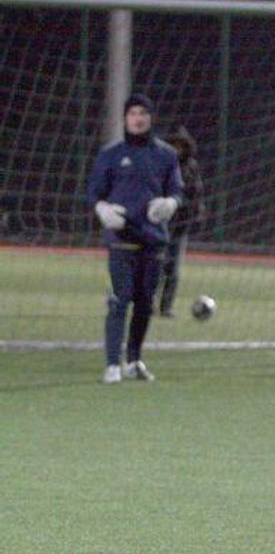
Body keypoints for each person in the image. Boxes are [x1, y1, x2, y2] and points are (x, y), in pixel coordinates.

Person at [88, 92, 182, 383]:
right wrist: (102, 209)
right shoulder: (111, 154)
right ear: (125, 118)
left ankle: (134, 360)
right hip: (121, 238)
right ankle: (112, 364)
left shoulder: (166, 155)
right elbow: (94, 192)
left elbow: (177, 190)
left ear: (150, 118)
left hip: (153, 239)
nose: (138, 118)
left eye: (143, 113)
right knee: (120, 299)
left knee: (144, 303)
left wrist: (171, 204)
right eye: (133, 113)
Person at [157, 124, 205, 317]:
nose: (177, 148)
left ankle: (166, 307)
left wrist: (197, 211)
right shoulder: (161, 165)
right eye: (173, 143)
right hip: (161, 222)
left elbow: (196, 192)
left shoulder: (191, 167)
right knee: (157, 265)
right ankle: (146, 303)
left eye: (180, 144)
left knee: (173, 268)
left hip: (180, 224)